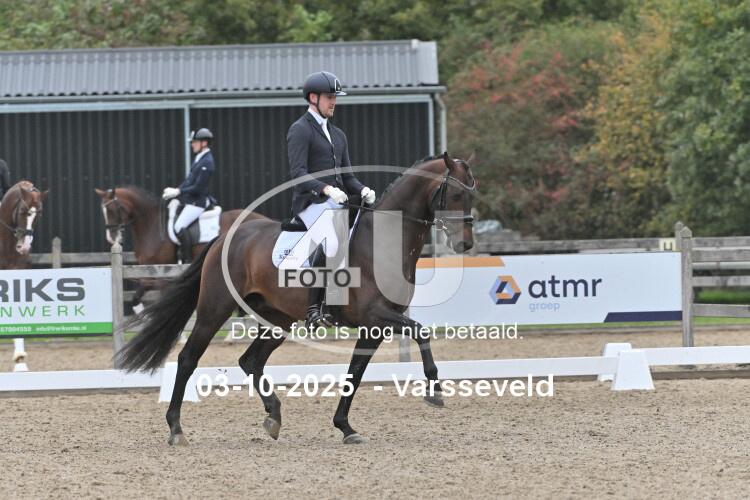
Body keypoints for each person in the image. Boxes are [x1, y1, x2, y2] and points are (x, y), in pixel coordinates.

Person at [287, 71, 377, 329]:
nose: (334, 102)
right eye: (329, 97)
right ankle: (313, 309)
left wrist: (362, 189)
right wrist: (325, 189)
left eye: (335, 97)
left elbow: (348, 177)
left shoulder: (338, 135)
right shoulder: (300, 130)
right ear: (313, 98)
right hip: (311, 203)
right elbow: (298, 174)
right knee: (332, 237)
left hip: (337, 201)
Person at [162, 128, 216, 263]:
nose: (192, 145)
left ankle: (188, 260)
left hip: (198, 202)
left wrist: (179, 192)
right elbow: (189, 181)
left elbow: (198, 187)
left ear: (204, 143)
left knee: (179, 226)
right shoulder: (199, 158)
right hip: (191, 200)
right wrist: (176, 191)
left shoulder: (207, 161)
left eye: (195, 142)